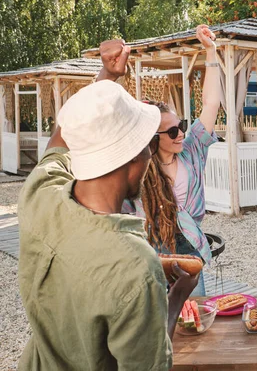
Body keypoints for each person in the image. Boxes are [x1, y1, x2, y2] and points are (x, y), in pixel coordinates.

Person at [17, 39, 198, 370]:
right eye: (146, 146)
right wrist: (174, 300)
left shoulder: (38, 196)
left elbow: (64, 133)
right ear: (133, 158)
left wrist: (107, 76)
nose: (149, 155)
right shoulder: (135, 268)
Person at [123, 25, 220, 296]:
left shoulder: (191, 150)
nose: (181, 134)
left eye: (182, 125)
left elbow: (211, 103)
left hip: (188, 244)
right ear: (152, 137)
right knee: (152, 319)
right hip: (148, 247)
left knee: (193, 315)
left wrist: (210, 51)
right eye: (173, 131)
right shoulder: (138, 167)